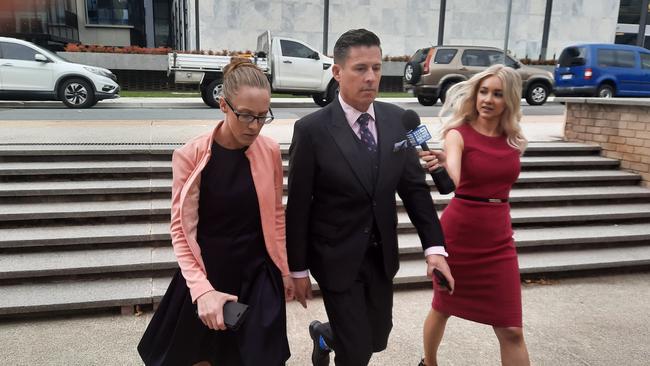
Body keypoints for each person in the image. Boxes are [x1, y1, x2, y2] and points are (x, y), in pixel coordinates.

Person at [286, 28, 453, 366]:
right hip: (335, 256)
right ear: (337, 72)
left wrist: (435, 249)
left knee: (377, 338)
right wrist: (298, 269)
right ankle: (342, 342)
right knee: (357, 352)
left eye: (376, 68)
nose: (371, 77)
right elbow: (299, 205)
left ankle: (325, 334)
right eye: (360, 68)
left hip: (380, 256)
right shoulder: (312, 131)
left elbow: (414, 190)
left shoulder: (397, 120)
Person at [137, 60, 294, 366]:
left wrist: (284, 270)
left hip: (258, 273)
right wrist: (201, 290)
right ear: (223, 104)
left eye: (263, 117)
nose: (255, 126)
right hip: (207, 272)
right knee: (200, 356)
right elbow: (181, 231)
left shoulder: (270, 150)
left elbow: (275, 214)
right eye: (246, 115)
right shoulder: (190, 156)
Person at [418, 64, 531, 366]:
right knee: (442, 307)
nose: (487, 99)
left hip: (498, 241)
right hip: (459, 236)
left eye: (497, 94)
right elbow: (453, 175)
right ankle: (428, 362)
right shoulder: (459, 134)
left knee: (511, 329)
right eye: (483, 91)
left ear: (509, 99)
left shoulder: (514, 140)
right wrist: (440, 169)